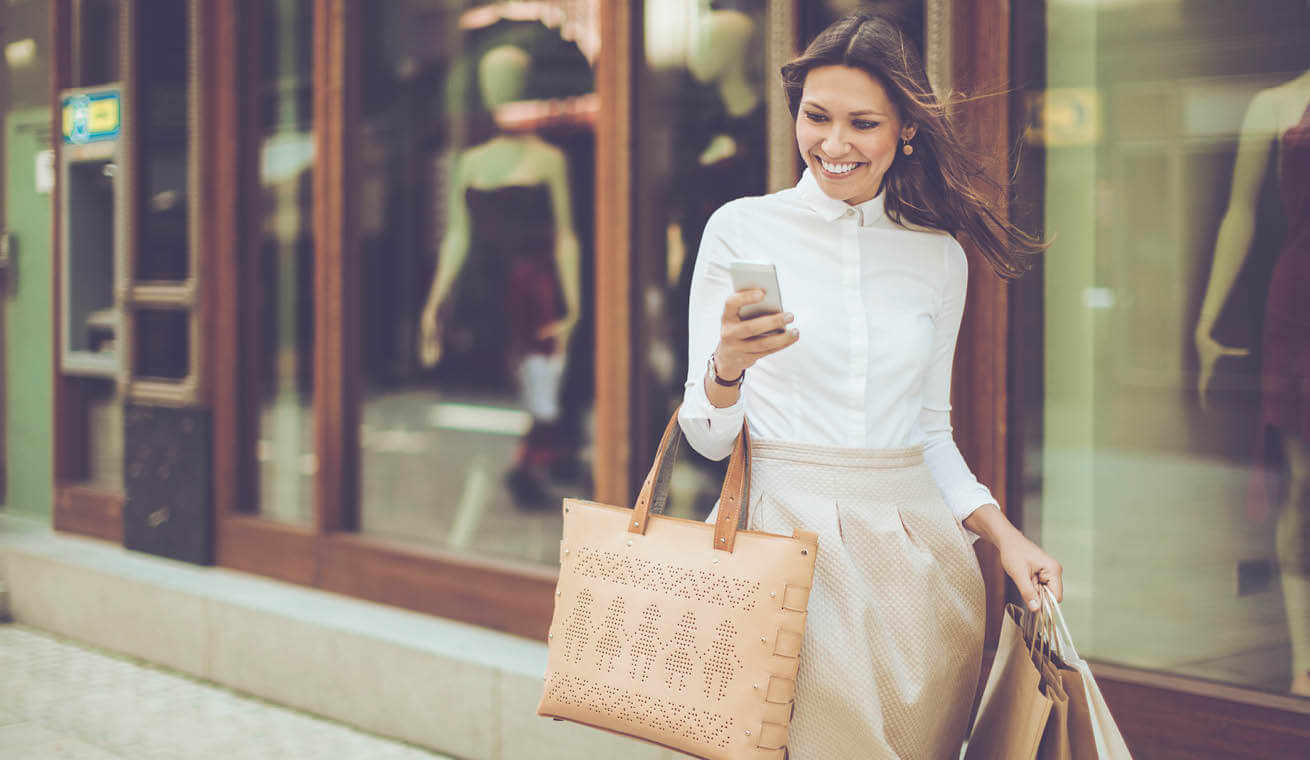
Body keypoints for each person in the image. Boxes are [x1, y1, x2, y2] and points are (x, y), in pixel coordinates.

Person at [677, 12, 1061, 758]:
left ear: (905, 132)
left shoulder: (938, 259)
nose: (834, 144)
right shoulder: (741, 230)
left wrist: (1004, 537)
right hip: (789, 547)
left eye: (863, 123)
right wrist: (726, 366)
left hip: (921, 564)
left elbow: (929, 434)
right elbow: (707, 436)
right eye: (817, 117)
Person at [419, 44, 582, 505]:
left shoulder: (549, 159)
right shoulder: (469, 162)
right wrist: (435, 303)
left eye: (511, 79)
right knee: (505, 385)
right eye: (493, 79)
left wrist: (574, 304)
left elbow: (565, 235)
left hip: (534, 286)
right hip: (485, 290)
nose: (501, 90)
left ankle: (529, 466)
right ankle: (536, 463)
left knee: (540, 381)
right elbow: (457, 235)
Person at [1194, 67, 1310, 697]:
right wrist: (1207, 319)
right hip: (1300, 306)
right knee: (1302, 486)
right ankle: (1305, 661)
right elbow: (1239, 213)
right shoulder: (1275, 104)